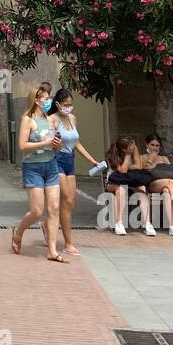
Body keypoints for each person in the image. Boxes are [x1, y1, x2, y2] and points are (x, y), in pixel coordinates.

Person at [12, 87, 67, 262]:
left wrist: (57, 144)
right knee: (36, 211)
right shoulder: (27, 120)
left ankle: (52, 250)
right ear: (36, 101)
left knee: (54, 209)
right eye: (45, 98)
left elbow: (56, 145)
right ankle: (19, 231)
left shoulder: (51, 120)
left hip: (51, 166)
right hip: (33, 168)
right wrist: (43, 143)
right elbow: (22, 146)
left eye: (48, 98)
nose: (48, 101)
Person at [47, 88, 102, 255]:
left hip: (70, 159)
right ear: (57, 104)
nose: (69, 108)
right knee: (66, 200)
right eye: (66, 105)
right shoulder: (52, 120)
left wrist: (92, 160)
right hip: (57, 160)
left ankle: (46, 225)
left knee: (71, 202)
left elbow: (77, 143)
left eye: (71, 105)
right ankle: (68, 243)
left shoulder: (72, 118)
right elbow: (49, 143)